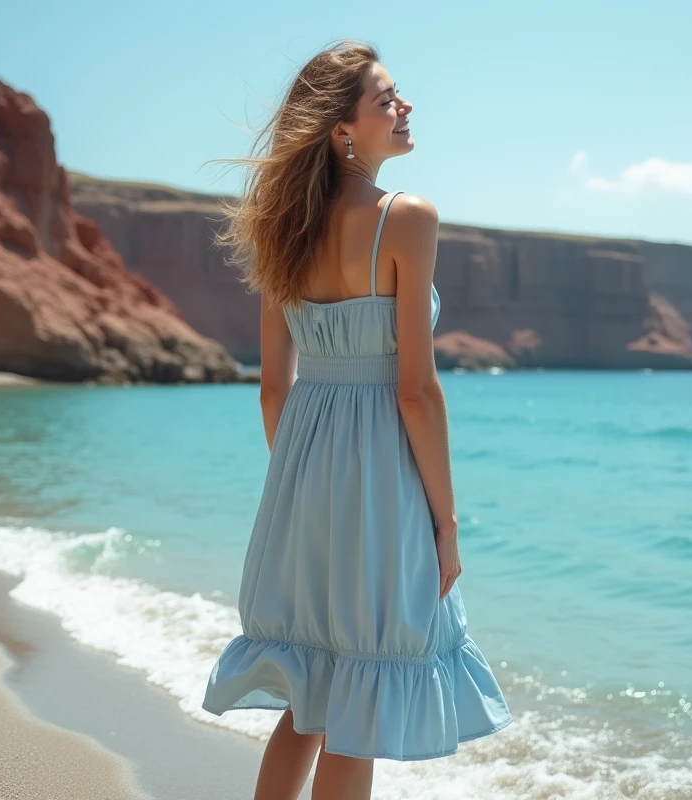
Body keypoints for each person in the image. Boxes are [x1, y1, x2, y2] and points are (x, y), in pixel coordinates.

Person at [201, 39, 512, 800]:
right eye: (386, 99)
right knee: (361, 695)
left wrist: (303, 490)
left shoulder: (281, 229)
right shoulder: (406, 217)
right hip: (384, 477)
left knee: (311, 685)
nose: (405, 107)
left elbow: (273, 390)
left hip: (303, 476)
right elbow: (416, 392)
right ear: (342, 129)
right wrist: (446, 522)